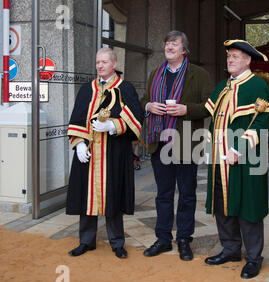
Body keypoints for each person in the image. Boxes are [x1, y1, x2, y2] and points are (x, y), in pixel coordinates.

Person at [204, 40, 269, 279]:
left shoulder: (257, 85)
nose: (230, 60)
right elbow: (213, 120)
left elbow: (263, 122)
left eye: (235, 56)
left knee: (248, 207)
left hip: (248, 157)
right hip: (220, 157)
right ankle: (231, 249)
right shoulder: (223, 86)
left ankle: (254, 258)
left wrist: (240, 148)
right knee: (223, 205)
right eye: (228, 56)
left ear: (247, 60)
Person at [141, 31, 213, 261]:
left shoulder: (198, 74)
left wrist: (186, 109)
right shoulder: (156, 72)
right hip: (159, 141)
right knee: (163, 194)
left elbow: (210, 105)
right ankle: (163, 239)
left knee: (187, 194)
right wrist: (149, 106)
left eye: (174, 43)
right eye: (167, 43)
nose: (169, 46)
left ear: (184, 50)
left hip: (185, 142)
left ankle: (183, 238)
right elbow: (143, 99)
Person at [66, 47, 144, 259]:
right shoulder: (86, 89)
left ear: (114, 64)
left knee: (114, 195)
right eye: (98, 62)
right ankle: (86, 241)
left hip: (114, 152)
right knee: (86, 197)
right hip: (89, 154)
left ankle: (117, 242)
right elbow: (76, 119)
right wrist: (79, 143)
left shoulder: (125, 88)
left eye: (104, 62)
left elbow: (136, 119)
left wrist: (112, 125)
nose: (100, 66)